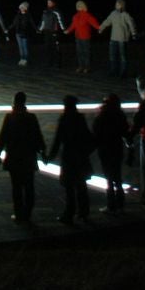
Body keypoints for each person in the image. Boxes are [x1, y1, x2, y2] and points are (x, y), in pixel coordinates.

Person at [0, 91, 46, 223]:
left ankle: (18, 213)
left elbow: (3, 137)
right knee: (29, 185)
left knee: (16, 186)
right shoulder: (31, 118)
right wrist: (44, 153)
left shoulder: (9, 118)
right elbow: (38, 137)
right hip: (28, 157)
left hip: (14, 157)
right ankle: (28, 213)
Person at [48, 95, 96, 224]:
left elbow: (57, 141)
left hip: (69, 157)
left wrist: (50, 156)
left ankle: (69, 213)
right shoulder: (80, 118)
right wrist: (86, 152)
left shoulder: (64, 119)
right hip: (80, 156)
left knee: (69, 187)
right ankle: (83, 212)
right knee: (81, 185)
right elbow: (89, 137)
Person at [92, 93, 129, 213]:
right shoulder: (120, 115)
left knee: (109, 177)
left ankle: (111, 203)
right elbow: (125, 131)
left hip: (105, 149)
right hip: (117, 148)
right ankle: (120, 202)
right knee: (117, 176)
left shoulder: (101, 116)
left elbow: (96, 133)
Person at [99, 0, 137, 77]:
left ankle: (123, 72)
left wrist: (133, 33)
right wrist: (101, 28)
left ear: (122, 5)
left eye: (118, 4)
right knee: (112, 56)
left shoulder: (125, 14)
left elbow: (131, 23)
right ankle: (113, 71)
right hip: (113, 38)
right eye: (116, 4)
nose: (117, 5)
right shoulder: (113, 13)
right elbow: (107, 21)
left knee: (123, 56)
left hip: (122, 39)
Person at [65, 1, 100, 73]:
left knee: (86, 52)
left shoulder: (87, 15)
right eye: (77, 5)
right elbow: (73, 25)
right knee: (79, 52)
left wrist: (100, 28)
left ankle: (87, 67)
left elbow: (94, 23)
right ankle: (81, 66)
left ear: (83, 6)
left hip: (85, 37)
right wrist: (68, 30)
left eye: (80, 5)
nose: (78, 7)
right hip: (78, 37)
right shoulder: (75, 16)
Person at [38, 0, 65, 68]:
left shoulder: (56, 11)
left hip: (54, 31)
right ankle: (49, 62)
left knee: (55, 47)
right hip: (46, 31)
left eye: (50, 2)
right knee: (47, 47)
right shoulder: (45, 11)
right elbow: (43, 21)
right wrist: (40, 29)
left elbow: (60, 20)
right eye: (48, 2)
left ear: (53, 3)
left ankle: (58, 63)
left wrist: (63, 29)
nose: (48, 3)